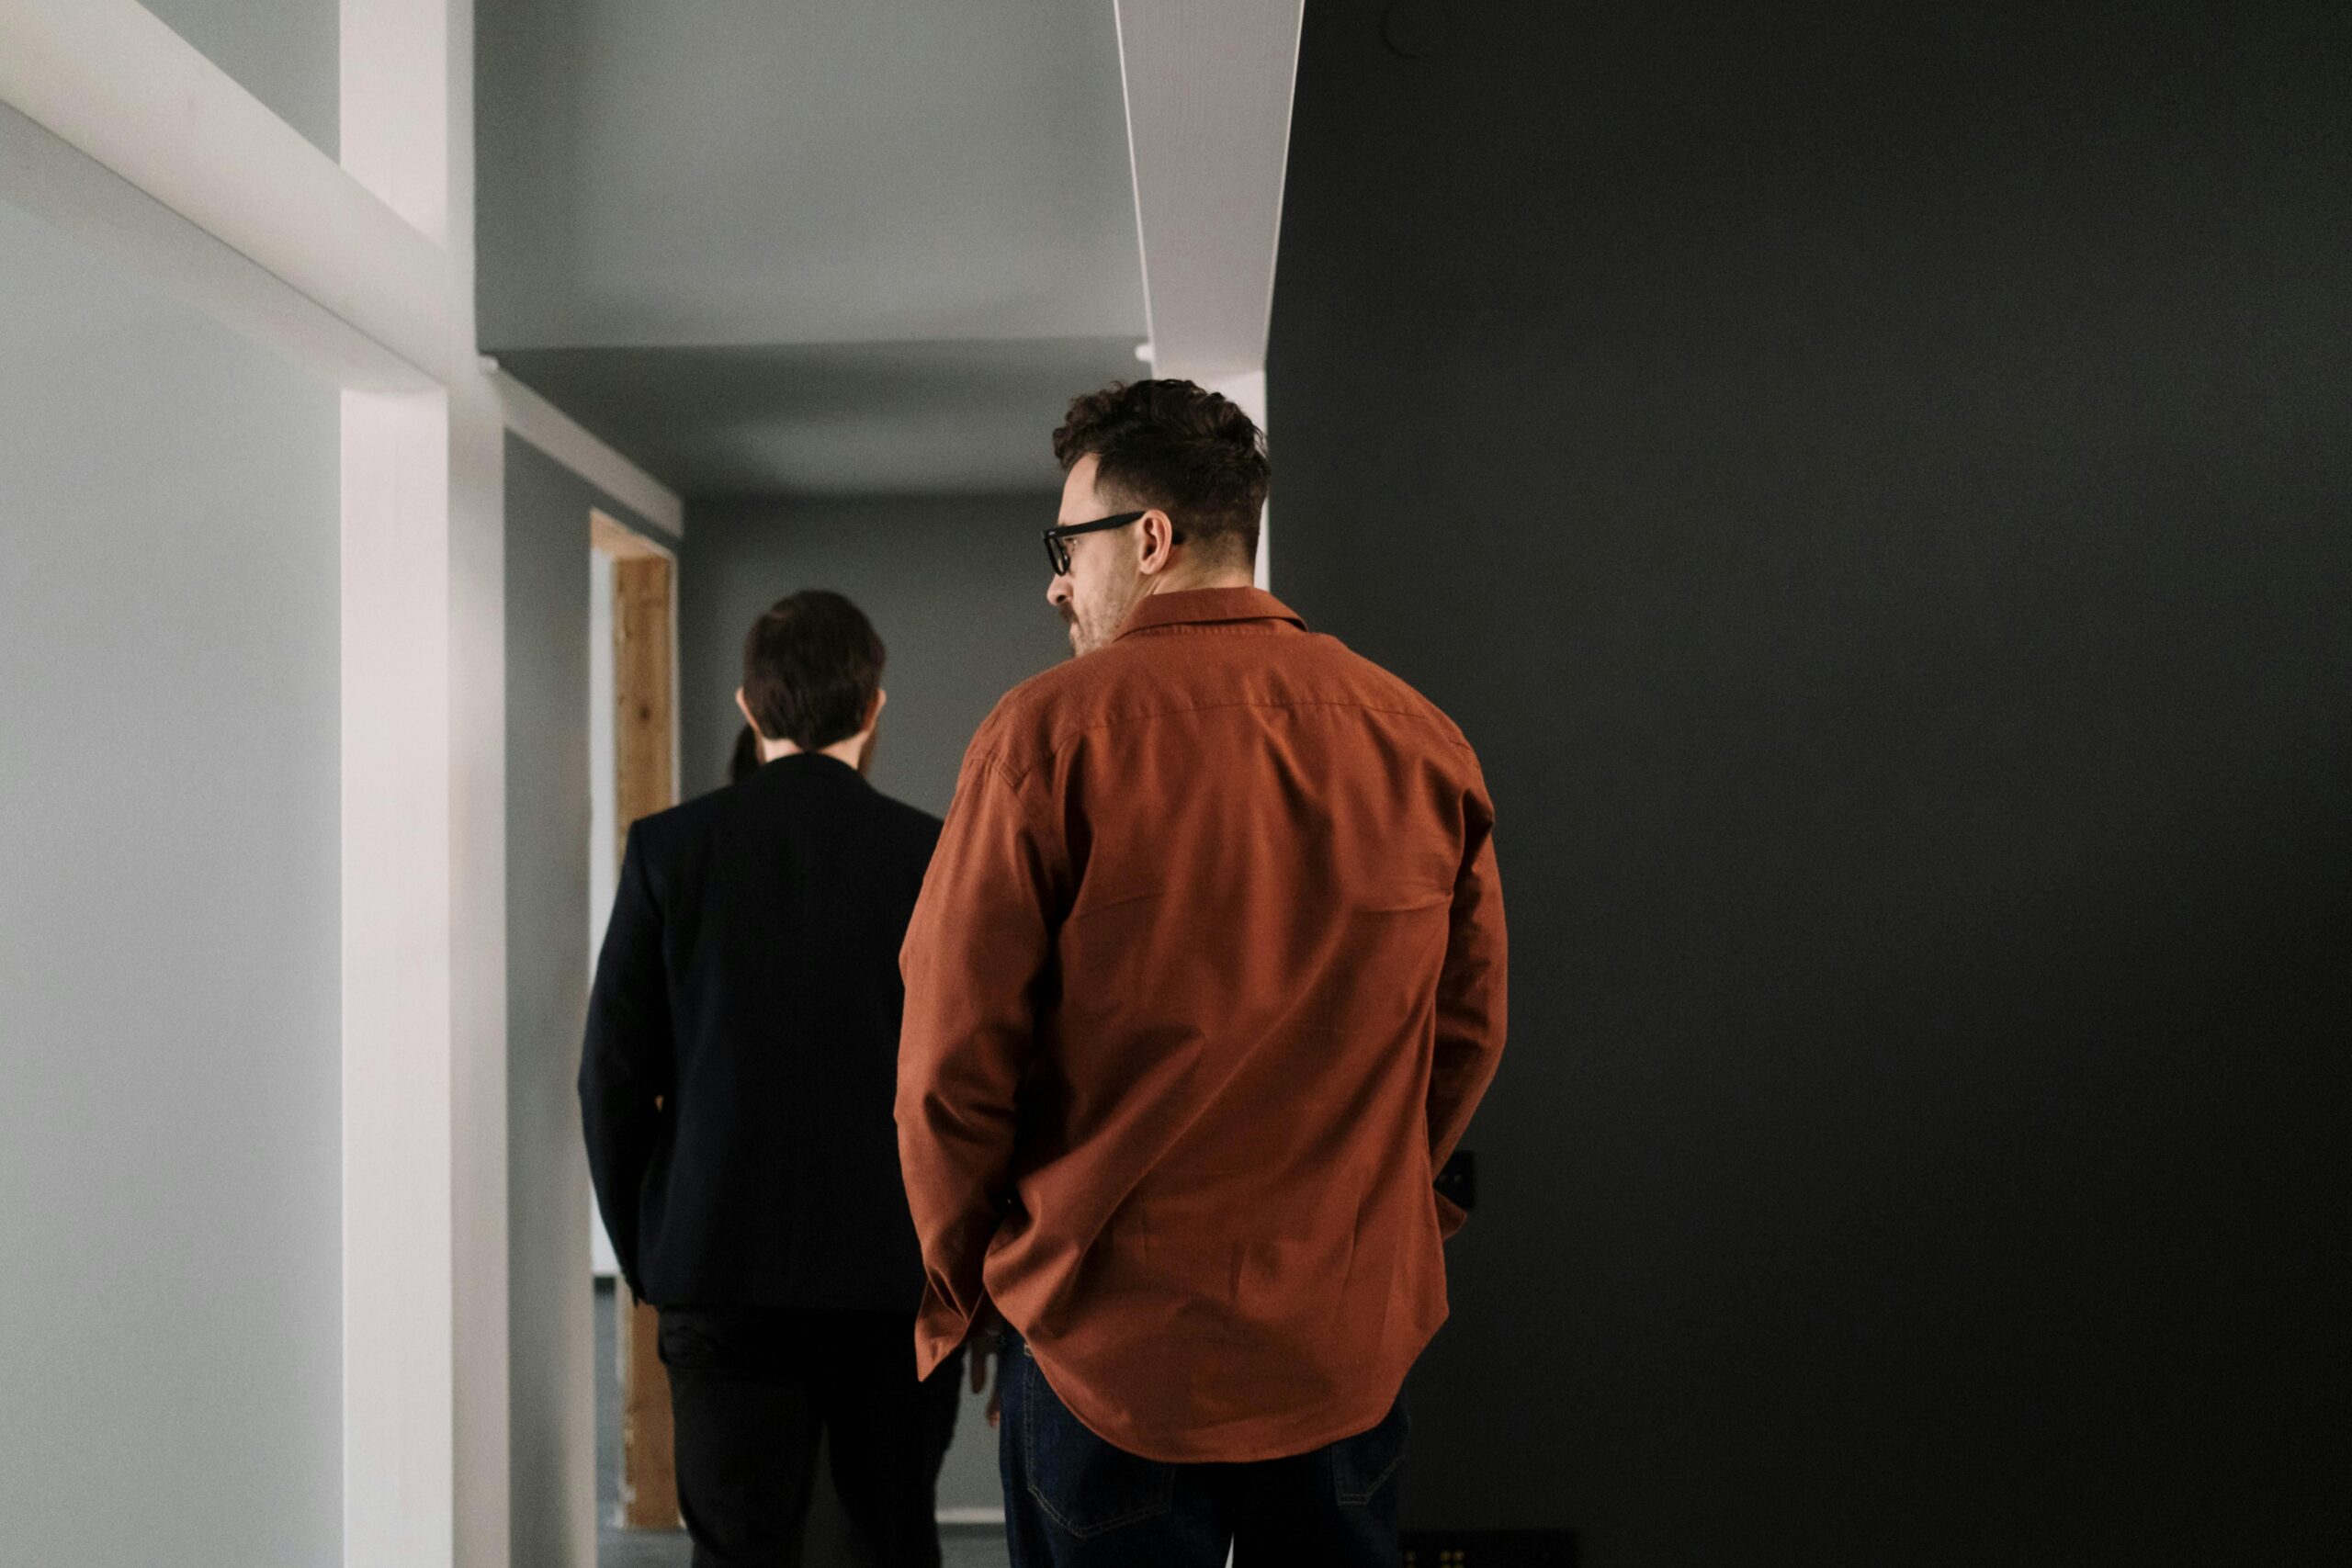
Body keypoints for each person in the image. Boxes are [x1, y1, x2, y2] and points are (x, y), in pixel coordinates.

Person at [896, 379, 1508, 1565]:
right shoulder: (1421, 739)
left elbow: (947, 1068)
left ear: (1153, 539)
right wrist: (1379, 1210)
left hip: (1101, 1348)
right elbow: (1468, 1032)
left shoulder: (1040, 739)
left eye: (1065, 546)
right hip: (1341, 1337)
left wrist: (973, 1280)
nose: (1057, 582)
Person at [582, 590, 963, 1568]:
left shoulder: (669, 851)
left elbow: (612, 1081)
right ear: (873, 707)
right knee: (890, 1542)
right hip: (892, 1273)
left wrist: (654, 1249)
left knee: (738, 1553)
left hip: (716, 1271)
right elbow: (968, 1076)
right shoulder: (931, 856)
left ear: (748, 708)